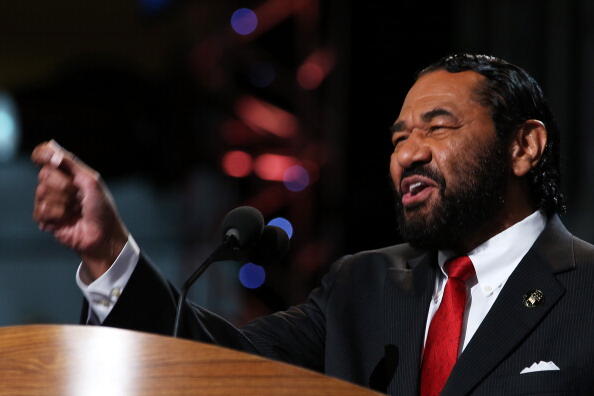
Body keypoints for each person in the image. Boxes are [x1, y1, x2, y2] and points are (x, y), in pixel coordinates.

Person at [31, 54, 594, 395]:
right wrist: (109, 251)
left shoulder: (585, 289)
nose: (408, 155)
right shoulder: (361, 287)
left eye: (437, 128)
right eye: (399, 138)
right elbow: (217, 367)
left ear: (524, 146)